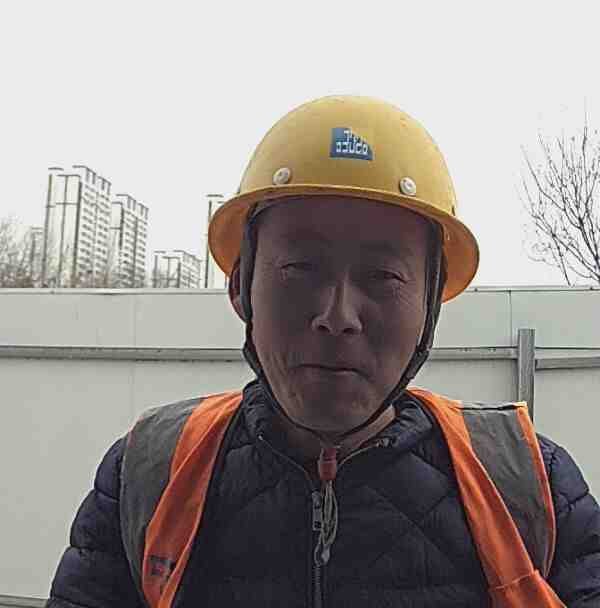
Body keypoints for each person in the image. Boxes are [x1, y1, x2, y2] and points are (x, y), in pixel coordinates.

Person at [46, 96, 600, 608]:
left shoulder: (528, 488)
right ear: (240, 287)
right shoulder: (151, 474)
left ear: (430, 305)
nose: (337, 316)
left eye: (383, 276)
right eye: (300, 268)